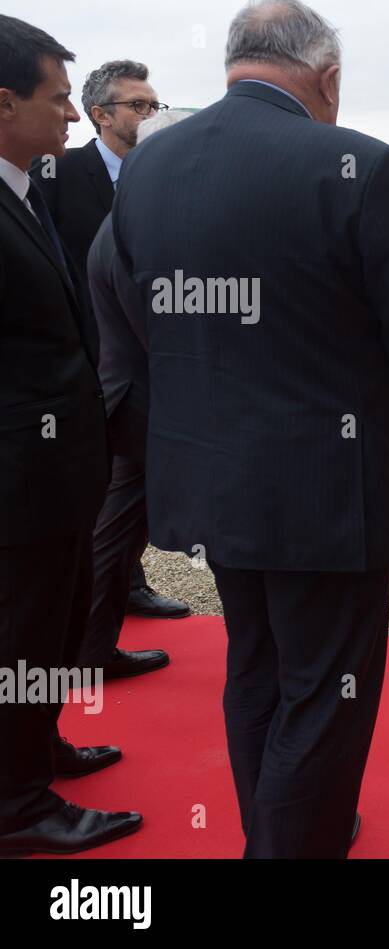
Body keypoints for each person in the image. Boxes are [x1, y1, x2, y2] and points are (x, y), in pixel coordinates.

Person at [112, 0, 389, 857]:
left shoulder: (148, 167)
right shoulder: (359, 163)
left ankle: (275, 827)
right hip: (329, 493)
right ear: (328, 77)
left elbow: (133, 323)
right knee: (325, 689)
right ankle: (288, 842)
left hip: (212, 482)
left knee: (256, 667)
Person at [0, 14, 142, 856]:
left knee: (54, 622)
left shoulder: (22, 186)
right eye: (57, 100)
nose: (69, 116)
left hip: (59, 469)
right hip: (20, 473)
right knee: (20, 632)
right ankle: (16, 806)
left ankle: (37, 748)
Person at [32, 60, 186, 690]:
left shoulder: (166, 179)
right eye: (139, 106)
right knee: (115, 501)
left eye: (155, 104)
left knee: (126, 502)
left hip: (151, 369)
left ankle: (125, 594)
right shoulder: (58, 174)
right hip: (93, 369)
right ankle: (88, 647)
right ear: (102, 115)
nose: (151, 116)